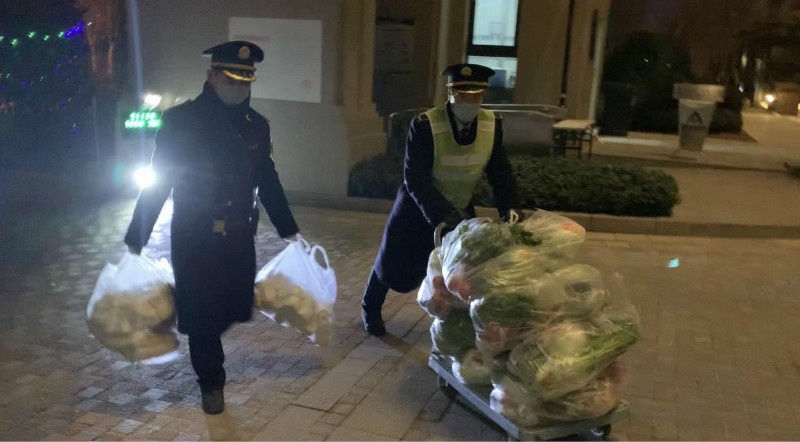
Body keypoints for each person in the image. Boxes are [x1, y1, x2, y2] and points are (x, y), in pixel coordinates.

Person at [123, 41, 300, 414]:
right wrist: (138, 234)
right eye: (231, 79)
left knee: (232, 306)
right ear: (212, 76)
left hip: (238, 236)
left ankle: (207, 348)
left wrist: (287, 228)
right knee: (201, 312)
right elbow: (160, 179)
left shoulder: (256, 126)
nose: (238, 87)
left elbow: (267, 179)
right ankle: (211, 382)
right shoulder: (181, 121)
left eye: (245, 81)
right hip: (196, 236)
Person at [361, 63, 533, 336]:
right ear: (450, 94)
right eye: (462, 95)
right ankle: (370, 308)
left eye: (475, 96)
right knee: (392, 264)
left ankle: (453, 326)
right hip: (418, 206)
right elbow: (415, 177)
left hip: (459, 207)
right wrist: (442, 214)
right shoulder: (425, 125)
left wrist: (510, 207)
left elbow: (500, 171)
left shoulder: (492, 124)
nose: (469, 102)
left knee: (460, 272)